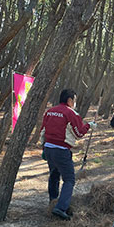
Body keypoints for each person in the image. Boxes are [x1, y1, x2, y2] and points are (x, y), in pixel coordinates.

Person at [39, 89, 97, 220]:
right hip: (61, 150)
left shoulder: (49, 111)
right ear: (70, 100)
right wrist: (89, 125)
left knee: (54, 175)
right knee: (69, 179)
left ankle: (52, 201)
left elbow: (42, 131)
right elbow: (79, 133)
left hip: (48, 149)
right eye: (74, 100)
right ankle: (60, 208)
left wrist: (43, 147)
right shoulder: (71, 113)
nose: (75, 103)